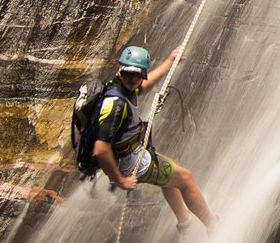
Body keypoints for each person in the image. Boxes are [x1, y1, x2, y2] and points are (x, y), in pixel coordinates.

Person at [92, 44, 218, 232]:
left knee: (169, 174)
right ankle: (213, 226)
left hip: (128, 155)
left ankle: (184, 221)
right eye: (129, 73)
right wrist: (120, 180)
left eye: (138, 74)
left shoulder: (119, 86)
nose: (133, 78)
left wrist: (169, 62)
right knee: (186, 179)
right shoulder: (115, 105)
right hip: (128, 163)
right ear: (120, 70)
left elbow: (144, 86)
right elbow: (100, 149)